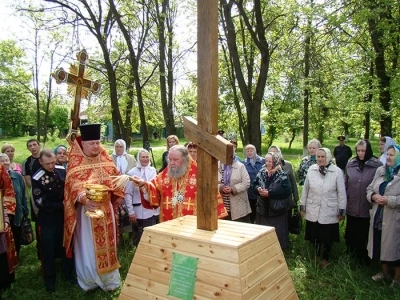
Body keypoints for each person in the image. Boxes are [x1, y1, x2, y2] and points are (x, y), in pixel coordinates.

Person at [64, 123, 124, 291]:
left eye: (98, 142)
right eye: (92, 143)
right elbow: (73, 184)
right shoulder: (75, 162)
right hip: (87, 212)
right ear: (83, 144)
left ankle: (110, 279)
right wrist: (84, 198)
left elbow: (117, 177)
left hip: (106, 210)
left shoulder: (105, 159)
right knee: (89, 245)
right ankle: (90, 280)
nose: (96, 146)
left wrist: (118, 195)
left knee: (109, 244)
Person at [130, 145, 227, 222]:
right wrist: (143, 184)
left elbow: (213, 200)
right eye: (170, 159)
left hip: (194, 227)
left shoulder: (200, 175)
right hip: (169, 225)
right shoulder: (165, 175)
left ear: (185, 159)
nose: (171, 163)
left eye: (175, 160)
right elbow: (153, 191)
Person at [31, 149, 74, 292]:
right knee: (48, 250)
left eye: (53, 162)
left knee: (66, 246)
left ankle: (68, 274)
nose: (51, 166)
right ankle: (49, 279)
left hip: (64, 217)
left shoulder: (62, 170)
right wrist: (62, 204)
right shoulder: (37, 178)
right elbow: (41, 202)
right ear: (40, 162)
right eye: (48, 164)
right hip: (48, 219)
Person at [300, 148, 346, 268]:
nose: (320, 159)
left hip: (329, 209)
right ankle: (316, 255)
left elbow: (342, 192)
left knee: (327, 236)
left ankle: (326, 257)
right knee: (314, 235)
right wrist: (302, 206)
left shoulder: (337, 171)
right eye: (318, 157)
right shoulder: (312, 169)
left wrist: (342, 210)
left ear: (328, 157)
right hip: (313, 207)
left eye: (323, 157)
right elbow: (305, 189)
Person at [366, 145, 400, 288]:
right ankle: (385, 273)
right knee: (380, 244)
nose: (389, 157)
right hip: (378, 215)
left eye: (392, 154)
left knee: (395, 248)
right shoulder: (380, 170)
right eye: (387, 154)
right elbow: (369, 188)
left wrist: (389, 200)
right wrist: (373, 196)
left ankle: (397, 279)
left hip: (394, 218)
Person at [345, 140, 382, 265]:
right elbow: (346, 184)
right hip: (352, 205)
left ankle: (365, 260)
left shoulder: (377, 165)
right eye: (358, 151)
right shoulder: (350, 164)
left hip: (367, 207)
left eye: (363, 151)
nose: (361, 153)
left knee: (364, 234)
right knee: (351, 233)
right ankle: (351, 255)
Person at [250, 152, 292, 249]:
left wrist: (270, 193)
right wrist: (258, 190)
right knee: (262, 234)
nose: (268, 163)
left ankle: (277, 252)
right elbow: (253, 185)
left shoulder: (282, 175)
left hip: (276, 212)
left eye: (270, 161)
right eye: (266, 161)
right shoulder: (261, 172)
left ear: (276, 162)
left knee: (277, 235)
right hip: (262, 211)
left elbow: (286, 191)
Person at [125, 149, 157, 246]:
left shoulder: (153, 171)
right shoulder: (132, 173)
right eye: (143, 157)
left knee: (151, 236)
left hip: (151, 209)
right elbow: (128, 193)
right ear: (138, 158)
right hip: (138, 209)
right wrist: (130, 211)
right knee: (138, 236)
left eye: (147, 157)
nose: (145, 159)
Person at [0, 154, 29, 257]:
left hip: (17, 212)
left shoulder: (17, 176)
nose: (5, 163)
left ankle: (16, 256)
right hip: (3, 215)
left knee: (16, 235)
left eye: (7, 160)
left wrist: (25, 210)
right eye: (2, 161)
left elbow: (23, 194)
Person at [218, 141, 251, 223]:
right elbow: (212, 182)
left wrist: (233, 189)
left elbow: (246, 182)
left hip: (238, 204)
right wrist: (221, 187)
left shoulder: (240, 166)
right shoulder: (216, 166)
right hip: (221, 205)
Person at [22, 138, 41, 259]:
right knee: (38, 220)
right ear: (28, 148)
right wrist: (38, 189)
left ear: (39, 145)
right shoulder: (27, 162)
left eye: (35, 144)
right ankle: (40, 245)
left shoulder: (47, 157)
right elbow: (28, 180)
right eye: (30, 146)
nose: (33, 147)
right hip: (36, 194)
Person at [243, 144, 265, 223]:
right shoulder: (244, 163)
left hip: (262, 191)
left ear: (255, 151)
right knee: (252, 213)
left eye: (251, 150)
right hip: (250, 192)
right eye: (247, 151)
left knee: (261, 213)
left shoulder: (263, 161)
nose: (249, 152)